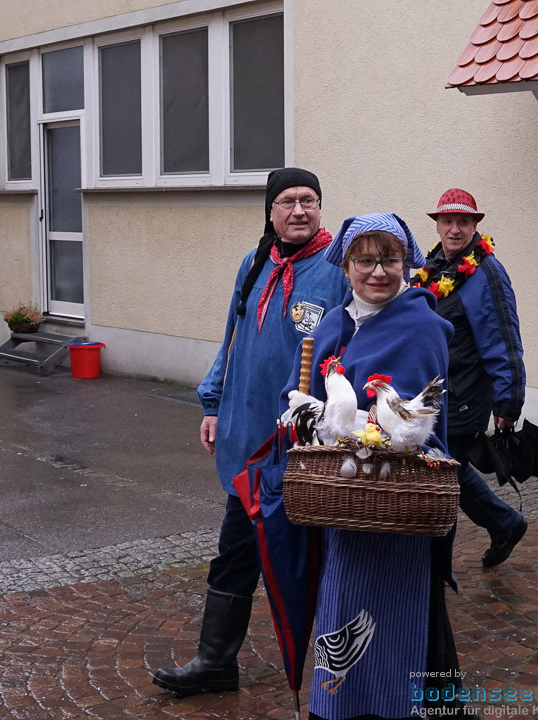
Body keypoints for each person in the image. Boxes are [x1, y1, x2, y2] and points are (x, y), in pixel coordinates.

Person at [151, 168, 347, 696]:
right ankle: (216, 661)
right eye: (287, 202)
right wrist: (212, 402)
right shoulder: (254, 262)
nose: (299, 210)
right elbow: (231, 337)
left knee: (324, 561)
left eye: (310, 199)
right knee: (236, 550)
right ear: (271, 211)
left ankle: (348, 672)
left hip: (305, 448)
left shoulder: (338, 269)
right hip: (250, 445)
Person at [289, 213, 471, 719]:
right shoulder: (330, 324)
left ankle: (397, 706)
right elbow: (297, 397)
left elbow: (422, 421)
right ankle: (341, 706)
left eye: (389, 259)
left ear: (406, 264)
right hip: (340, 497)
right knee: (344, 600)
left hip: (398, 499)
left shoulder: (423, 325)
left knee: (401, 610)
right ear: (346, 266)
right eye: (365, 260)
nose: (377, 271)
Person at [413, 188, 529, 568]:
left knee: (443, 473)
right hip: (438, 391)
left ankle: (435, 566)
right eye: (448, 220)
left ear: (475, 225)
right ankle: (505, 523)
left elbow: (504, 339)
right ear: (438, 224)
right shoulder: (434, 265)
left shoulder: (487, 272)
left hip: (465, 394)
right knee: (448, 468)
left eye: (463, 221)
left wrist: (508, 401)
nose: (455, 229)